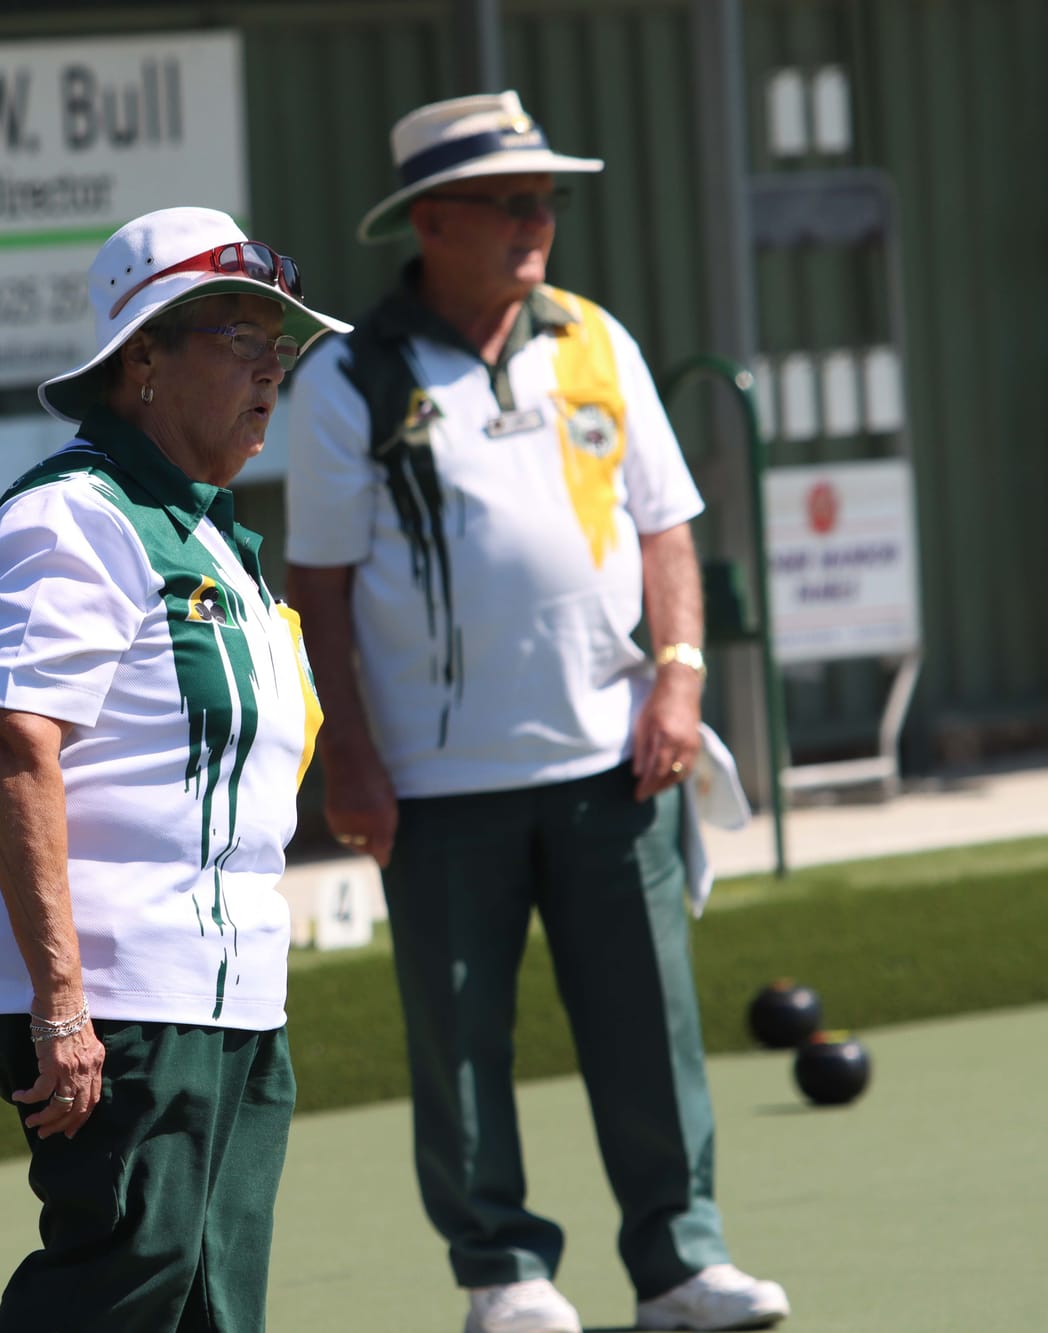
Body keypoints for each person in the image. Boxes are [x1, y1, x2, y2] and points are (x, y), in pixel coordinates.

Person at [282, 91, 790, 1333]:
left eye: (544, 199)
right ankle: (500, 1274)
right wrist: (348, 758)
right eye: (510, 202)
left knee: (649, 1031)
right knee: (458, 1051)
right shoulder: (347, 376)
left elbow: (663, 525)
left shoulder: (595, 340)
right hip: (437, 782)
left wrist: (678, 670)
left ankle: (680, 1264)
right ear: (433, 221)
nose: (535, 222)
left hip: (614, 761)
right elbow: (320, 588)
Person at [0, 206, 345, 1331]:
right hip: (118, 983)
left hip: (224, 979)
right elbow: (10, 738)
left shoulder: (209, 534)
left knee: (211, 1290)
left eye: (283, 348)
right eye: (240, 341)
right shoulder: (72, 519)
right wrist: (61, 1005)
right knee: (134, 1268)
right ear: (141, 361)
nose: (271, 374)